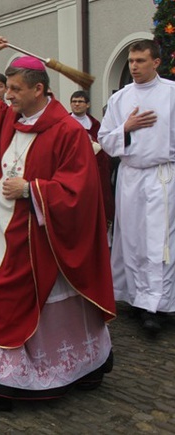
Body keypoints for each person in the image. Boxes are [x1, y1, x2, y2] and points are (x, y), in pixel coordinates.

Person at [0, 35, 115, 412]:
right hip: (8, 235)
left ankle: (5, 387)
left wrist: (32, 189)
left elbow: (82, 189)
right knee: (4, 295)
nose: (7, 96)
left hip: (45, 239)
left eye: (15, 89)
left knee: (19, 300)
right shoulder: (11, 121)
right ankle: (31, 374)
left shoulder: (66, 131)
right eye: (6, 88)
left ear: (39, 89)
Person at [99, 39, 175, 335]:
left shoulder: (171, 93)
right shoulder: (121, 98)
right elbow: (105, 139)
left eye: (140, 61)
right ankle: (136, 298)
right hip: (131, 177)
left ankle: (157, 304)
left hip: (162, 176)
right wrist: (125, 130)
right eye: (131, 61)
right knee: (131, 238)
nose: (133, 67)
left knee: (160, 241)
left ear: (156, 62)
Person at [69, 90, 115, 226]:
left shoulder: (95, 125)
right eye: (74, 101)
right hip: (72, 172)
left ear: (87, 104)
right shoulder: (64, 124)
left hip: (94, 173)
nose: (76, 104)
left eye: (80, 101)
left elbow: (104, 148)